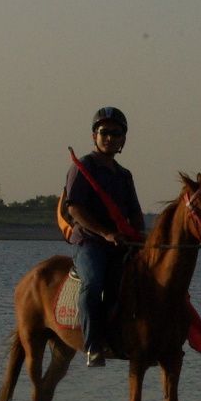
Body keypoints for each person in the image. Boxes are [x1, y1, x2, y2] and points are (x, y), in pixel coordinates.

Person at [60, 106, 145, 367]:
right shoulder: (84, 168)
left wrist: (143, 239)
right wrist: (105, 233)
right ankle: (92, 344)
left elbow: (135, 213)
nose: (110, 138)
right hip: (90, 242)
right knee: (94, 283)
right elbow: (73, 207)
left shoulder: (124, 175)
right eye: (104, 132)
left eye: (116, 133)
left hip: (121, 243)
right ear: (94, 136)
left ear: (123, 139)